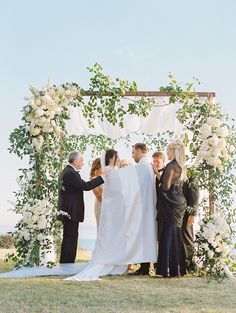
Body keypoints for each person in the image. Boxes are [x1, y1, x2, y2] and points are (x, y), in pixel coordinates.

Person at [65, 145, 157, 281]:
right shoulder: (109, 171)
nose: (120, 159)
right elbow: (119, 188)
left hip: (111, 210)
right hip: (109, 209)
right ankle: (111, 261)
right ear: (112, 158)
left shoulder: (111, 171)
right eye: (117, 157)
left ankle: (115, 261)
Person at [58, 151, 104, 264]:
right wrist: (102, 177)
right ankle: (67, 264)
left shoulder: (67, 171)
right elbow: (86, 186)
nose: (83, 163)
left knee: (70, 238)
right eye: (81, 160)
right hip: (70, 211)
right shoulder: (71, 173)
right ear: (74, 161)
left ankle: (67, 263)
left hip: (68, 211)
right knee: (70, 239)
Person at [153, 142, 187, 277]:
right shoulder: (179, 166)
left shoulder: (170, 166)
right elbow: (170, 183)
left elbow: (165, 187)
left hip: (171, 206)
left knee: (168, 235)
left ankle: (167, 269)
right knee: (175, 236)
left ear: (173, 152)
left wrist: (159, 182)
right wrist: (158, 174)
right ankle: (176, 269)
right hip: (178, 204)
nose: (166, 154)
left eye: (168, 151)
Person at [129, 143, 157, 276]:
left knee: (143, 236)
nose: (132, 155)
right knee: (145, 236)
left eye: (134, 152)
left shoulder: (142, 167)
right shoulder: (148, 166)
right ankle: (144, 266)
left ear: (140, 151)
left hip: (143, 208)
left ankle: (144, 268)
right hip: (147, 207)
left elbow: (134, 187)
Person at [182, 176, 199, 271]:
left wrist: (193, 213)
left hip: (187, 213)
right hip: (179, 213)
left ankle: (190, 265)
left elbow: (195, 193)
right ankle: (183, 265)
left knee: (187, 237)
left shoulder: (191, 173)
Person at [90, 158, 103, 231]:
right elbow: (99, 196)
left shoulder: (105, 178)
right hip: (100, 206)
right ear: (97, 167)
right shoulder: (93, 179)